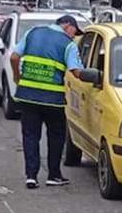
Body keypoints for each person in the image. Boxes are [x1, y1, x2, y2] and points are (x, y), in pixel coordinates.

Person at [9, 15, 87, 190]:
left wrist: (17, 78)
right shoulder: (68, 44)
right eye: (75, 32)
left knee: (30, 136)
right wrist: (94, 74)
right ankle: (53, 175)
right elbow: (76, 72)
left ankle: (31, 176)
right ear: (67, 26)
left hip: (28, 96)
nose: (74, 36)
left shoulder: (32, 33)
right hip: (53, 100)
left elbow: (14, 57)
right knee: (56, 136)